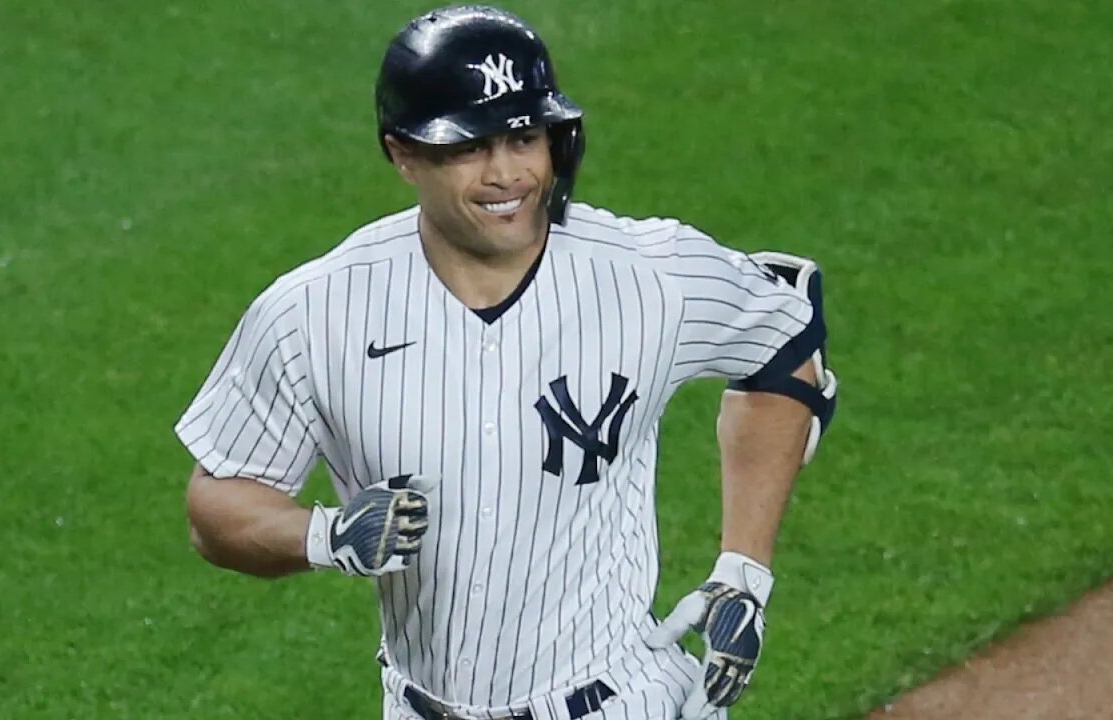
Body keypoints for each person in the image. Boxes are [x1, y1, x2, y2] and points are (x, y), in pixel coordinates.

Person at [174, 5, 838, 720]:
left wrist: (744, 569)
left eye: (525, 137)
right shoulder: (315, 311)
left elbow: (785, 340)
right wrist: (324, 536)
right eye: (468, 147)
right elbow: (216, 504)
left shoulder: (648, 275)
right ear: (403, 154)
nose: (506, 174)